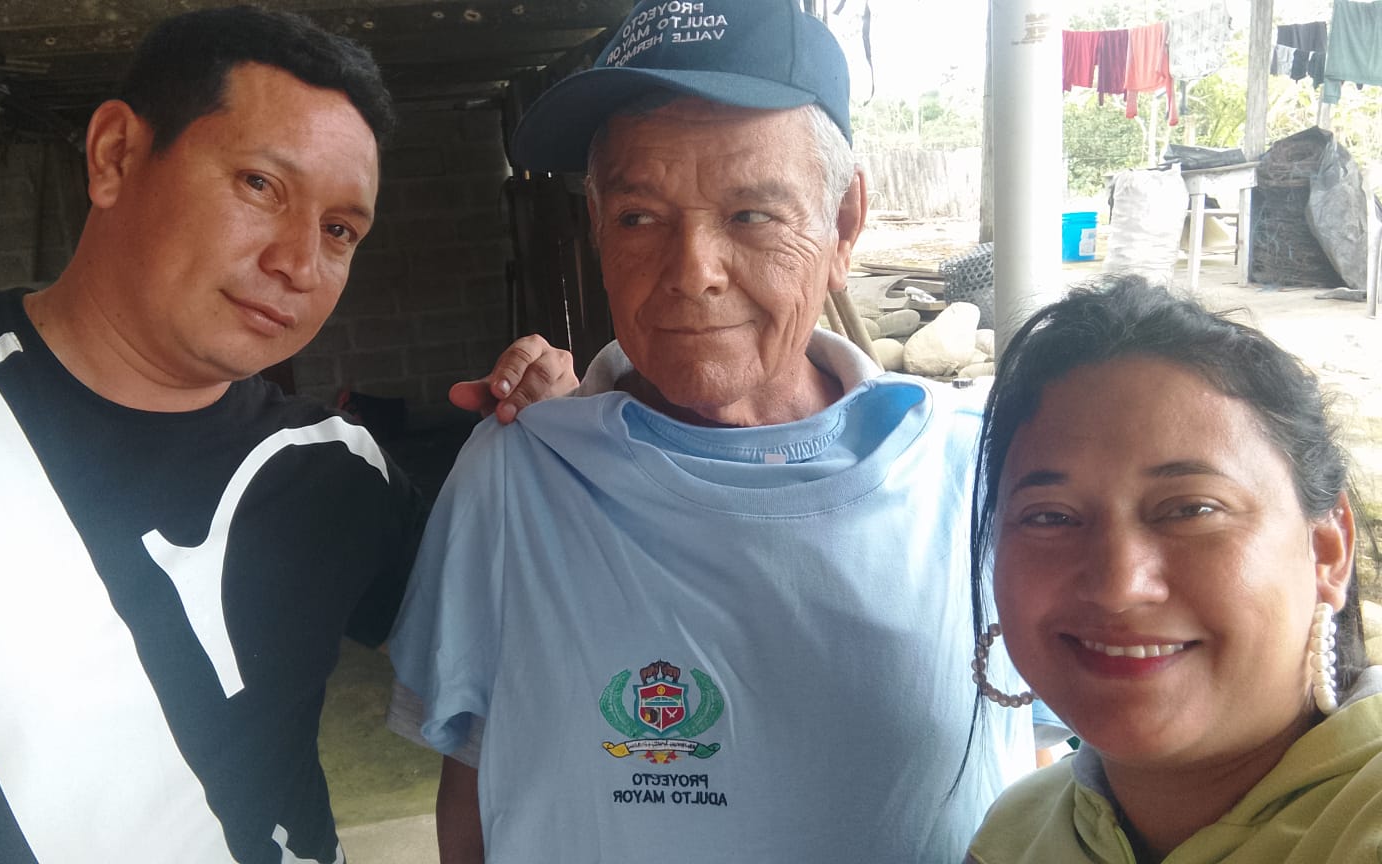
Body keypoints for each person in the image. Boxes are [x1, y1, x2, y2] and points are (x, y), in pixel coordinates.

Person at [0, 8, 576, 864]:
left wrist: (569, 455)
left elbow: (534, 643)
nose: (297, 264)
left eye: (339, 230)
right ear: (115, 156)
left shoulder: (332, 469)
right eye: (261, 185)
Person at [384, 1, 1039, 860]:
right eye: (639, 217)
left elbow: (1073, 766)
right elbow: (474, 789)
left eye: (751, 215)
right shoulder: (519, 478)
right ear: (596, 228)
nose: (693, 273)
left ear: (843, 222)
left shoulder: (984, 471)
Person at [963, 278, 1382, 864]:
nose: (1118, 586)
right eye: (1051, 516)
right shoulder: (1016, 835)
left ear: (1329, 548)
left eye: (1191, 510)